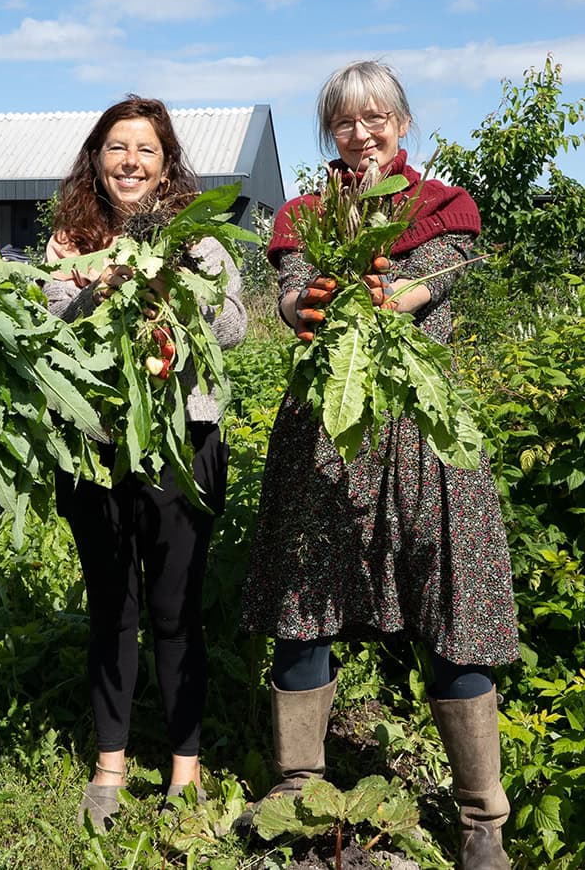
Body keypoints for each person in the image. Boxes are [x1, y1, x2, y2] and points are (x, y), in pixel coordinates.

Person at [240, 61, 519, 870]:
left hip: (426, 436)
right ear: (330, 130)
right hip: (327, 436)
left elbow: (441, 278)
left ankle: (481, 820)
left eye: (376, 117)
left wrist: (397, 294)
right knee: (305, 605)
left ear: (402, 122)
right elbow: (292, 294)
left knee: (451, 612)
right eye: (345, 121)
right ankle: (299, 795)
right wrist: (310, 303)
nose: (361, 133)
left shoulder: (442, 208)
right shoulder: (304, 213)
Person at [41, 96, 246, 828]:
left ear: (166, 164)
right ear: (97, 160)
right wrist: (98, 282)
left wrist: (167, 281)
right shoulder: (71, 240)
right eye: (117, 147)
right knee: (112, 607)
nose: (130, 161)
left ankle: (185, 770)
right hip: (97, 449)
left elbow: (233, 326)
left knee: (176, 610)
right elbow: (52, 330)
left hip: (180, 447)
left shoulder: (200, 240)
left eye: (146, 149)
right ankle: (110, 766)